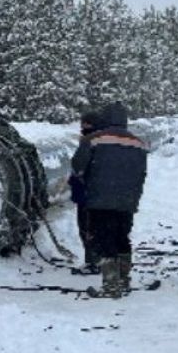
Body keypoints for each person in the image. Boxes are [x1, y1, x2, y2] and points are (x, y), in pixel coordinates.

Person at [69, 101, 149, 298]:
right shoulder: (138, 142)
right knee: (122, 237)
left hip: (99, 199)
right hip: (127, 200)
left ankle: (111, 284)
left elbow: (78, 166)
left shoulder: (94, 140)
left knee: (105, 239)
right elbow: (141, 173)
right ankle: (124, 279)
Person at [68, 111, 103, 275]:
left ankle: (92, 262)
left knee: (87, 227)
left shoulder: (88, 141)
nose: (83, 126)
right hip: (104, 192)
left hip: (87, 193)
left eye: (85, 123)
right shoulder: (108, 139)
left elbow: (78, 165)